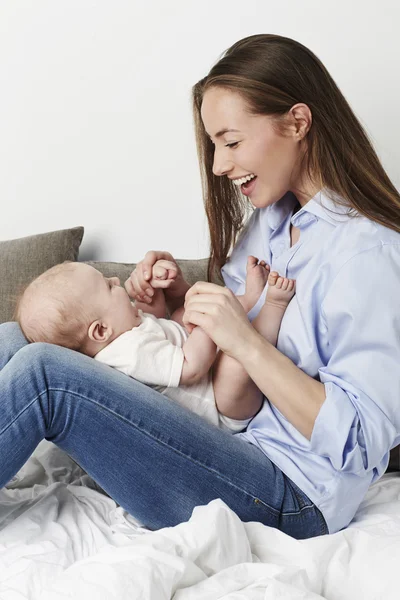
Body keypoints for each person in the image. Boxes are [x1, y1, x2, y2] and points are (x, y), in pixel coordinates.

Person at [1, 33, 399, 539]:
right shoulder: (270, 222)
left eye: (231, 142)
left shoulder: (370, 255)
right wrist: (174, 303)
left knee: (45, 374)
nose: (219, 165)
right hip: (222, 439)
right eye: (215, 145)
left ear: (297, 123)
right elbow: (216, 345)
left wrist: (245, 341)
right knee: (21, 337)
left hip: (291, 493)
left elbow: (362, 441)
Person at [15, 259, 295, 431]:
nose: (116, 279)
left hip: (206, 364)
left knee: (181, 315)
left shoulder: (126, 329)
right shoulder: (127, 353)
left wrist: (154, 290)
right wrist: (210, 323)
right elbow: (190, 368)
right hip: (219, 407)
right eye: (109, 286)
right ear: (101, 330)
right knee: (235, 364)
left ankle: (249, 298)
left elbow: (160, 327)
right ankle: (272, 305)